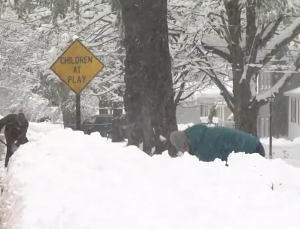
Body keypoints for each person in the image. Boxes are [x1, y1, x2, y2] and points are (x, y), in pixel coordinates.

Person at [170, 124, 265, 166]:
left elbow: (213, 170)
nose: (185, 152)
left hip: (252, 149)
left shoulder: (203, 145)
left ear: (187, 142)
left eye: (184, 148)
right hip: (253, 144)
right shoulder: (199, 135)